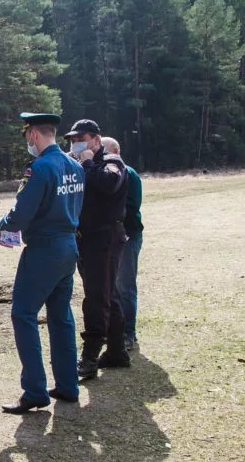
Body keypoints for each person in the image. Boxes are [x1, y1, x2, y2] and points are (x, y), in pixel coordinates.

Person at [0, 112, 85, 414]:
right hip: (68, 246)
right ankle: (68, 385)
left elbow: (20, 216)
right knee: (60, 317)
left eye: (26, 136)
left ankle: (34, 390)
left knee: (23, 314)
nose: (27, 143)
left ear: (33, 134)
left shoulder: (39, 168)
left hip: (44, 248)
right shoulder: (75, 166)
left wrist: (1, 223)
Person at [64, 120, 130, 379]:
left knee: (96, 297)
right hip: (86, 237)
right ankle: (116, 351)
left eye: (81, 138)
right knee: (107, 294)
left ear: (96, 139)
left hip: (105, 238)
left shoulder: (112, 161)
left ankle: (89, 357)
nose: (75, 143)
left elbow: (108, 184)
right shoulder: (77, 163)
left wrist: (89, 162)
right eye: (72, 139)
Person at [101, 137, 143, 351]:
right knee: (112, 288)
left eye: (105, 150)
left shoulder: (130, 174)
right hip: (112, 239)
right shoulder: (105, 174)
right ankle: (114, 332)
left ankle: (129, 334)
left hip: (129, 236)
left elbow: (131, 206)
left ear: (115, 151)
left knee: (125, 287)